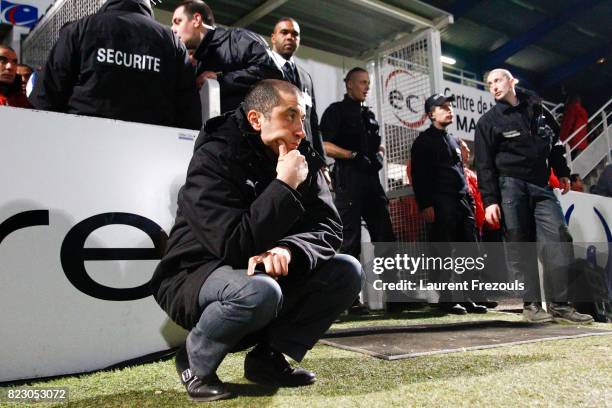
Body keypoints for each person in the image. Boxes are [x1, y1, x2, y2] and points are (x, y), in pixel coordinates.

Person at [150, 79, 363, 401]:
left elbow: (330, 227)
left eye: (302, 118)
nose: (300, 129)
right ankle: (195, 360)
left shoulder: (301, 154)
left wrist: (289, 250)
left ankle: (268, 359)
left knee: (347, 270)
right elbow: (233, 245)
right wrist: (284, 185)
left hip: (260, 271)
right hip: (195, 273)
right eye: (289, 116)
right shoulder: (215, 157)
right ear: (255, 119)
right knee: (259, 291)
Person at [474, 68, 593, 324]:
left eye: (498, 80)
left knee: (559, 238)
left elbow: (556, 143)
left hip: (541, 185)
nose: (493, 86)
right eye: (489, 83)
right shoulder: (488, 122)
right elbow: (483, 165)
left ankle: (560, 306)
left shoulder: (539, 109)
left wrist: (561, 171)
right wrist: (490, 200)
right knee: (521, 244)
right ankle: (531, 306)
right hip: (510, 187)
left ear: (512, 81)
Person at [29, 0, 201, 129]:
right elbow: (189, 117)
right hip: (149, 157)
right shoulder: (172, 43)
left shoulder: (80, 30)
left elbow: (45, 101)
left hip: (80, 148)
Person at [320, 67, 395, 314]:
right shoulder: (336, 111)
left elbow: (377, 144)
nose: (366, 87)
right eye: (362, 82)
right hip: (348, 178)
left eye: (368, 83)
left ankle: (395, 295)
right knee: (350, 240)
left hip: (371, 180)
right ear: (349, 84)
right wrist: (352, 155)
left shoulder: (369, 115)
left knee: (385, 236)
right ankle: (349, 300)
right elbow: (324, 145)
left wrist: (379, 154)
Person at [410, 94, 487, 315]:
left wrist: (470, 201)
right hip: (440, 202)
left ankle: (467, 297)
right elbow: (419, 176)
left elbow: (460, 173)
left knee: (469, 251)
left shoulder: (454, 141)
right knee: (443, 251)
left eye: (450, 106)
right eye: (443, 107)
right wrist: (426, 204)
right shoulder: (423, 142)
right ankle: (446, 299)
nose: (449, 109)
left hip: (462, 202)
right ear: (430, 114)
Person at [171, 0, 281, 113]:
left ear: (196, 20)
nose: (172, 29)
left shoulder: (237, 39)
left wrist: (220, 79)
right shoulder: (198, 62)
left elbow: (271, 71)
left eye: (177, 22)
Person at [269, 17, 324, 158]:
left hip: (306, 157)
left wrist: (321, 161)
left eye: (295, 34)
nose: (290, 37)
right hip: (274, 156)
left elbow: (313, 122)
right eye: (284, 32)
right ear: (273, 38)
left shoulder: (306, 78)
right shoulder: (262, 69)